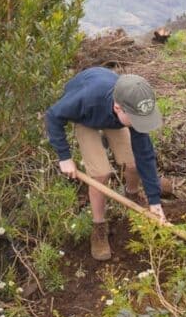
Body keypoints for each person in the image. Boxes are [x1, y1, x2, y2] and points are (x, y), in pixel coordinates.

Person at [46, 67, 168, 261]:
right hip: (86, 118)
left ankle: (133, 195)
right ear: (119, 108)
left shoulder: (135, 108)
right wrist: (64, 157)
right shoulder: (86, 98)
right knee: (101, 174)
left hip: (115, 119)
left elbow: (145, 155)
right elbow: (53, 115)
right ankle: (99, 226)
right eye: (137, 120)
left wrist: (155, 201)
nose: (140, 124)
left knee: (134, 163)